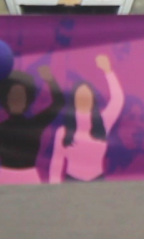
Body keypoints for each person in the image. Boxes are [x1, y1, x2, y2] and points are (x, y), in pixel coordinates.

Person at [48, 55, 125, 183]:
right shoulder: (63, 131)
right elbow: (57, 163)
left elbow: (118, 100)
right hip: (72, 182)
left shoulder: (102, 122)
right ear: (74, 100)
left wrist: (108, 72)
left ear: (93, 100)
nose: (84, 100)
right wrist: (54, 190)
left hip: (97, 181)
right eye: (80, 97)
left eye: (87, 97)